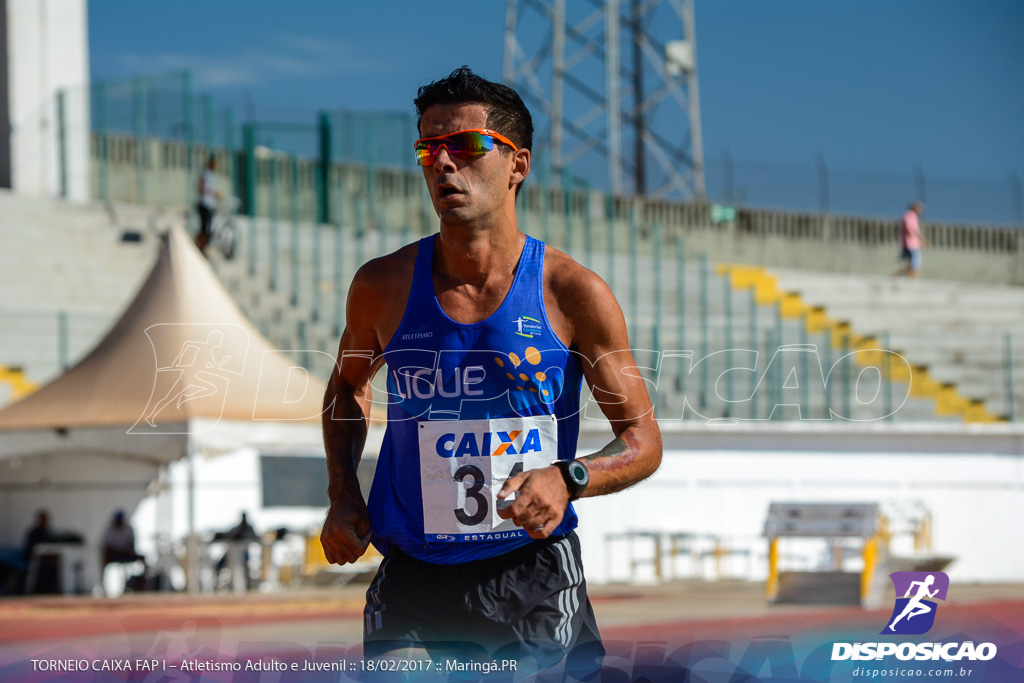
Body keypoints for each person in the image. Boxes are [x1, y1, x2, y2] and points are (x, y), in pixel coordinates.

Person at [320, 66, 662, 673]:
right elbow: (346, 387)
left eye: (467, 146)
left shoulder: (572, 292)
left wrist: (568, 477)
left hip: (529, 577)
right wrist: (343, 490)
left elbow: (643, 443)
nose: (443, 163)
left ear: (517, 165)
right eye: (429, 148)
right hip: (412, 578)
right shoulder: (382, 286)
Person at [195, 154, 221, 255]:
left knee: (208, 229)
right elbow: (204, 188)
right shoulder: (205, 174)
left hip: (209, 205)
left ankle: (203, 247)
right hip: (204, 204)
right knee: (204, 229)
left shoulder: (210, 174)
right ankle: (199, 247)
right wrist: (214, 193)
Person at [899, 201, 929, 277]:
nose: (921, 211)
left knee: (912, 264)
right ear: (915, 208)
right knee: (915, 264)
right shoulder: (910, 216)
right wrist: (923, 241)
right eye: (920, 208)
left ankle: (905, 278)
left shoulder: (909, 215)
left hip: (910, 244)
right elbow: (912, 231)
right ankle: (909, 279)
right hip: (911, 244)